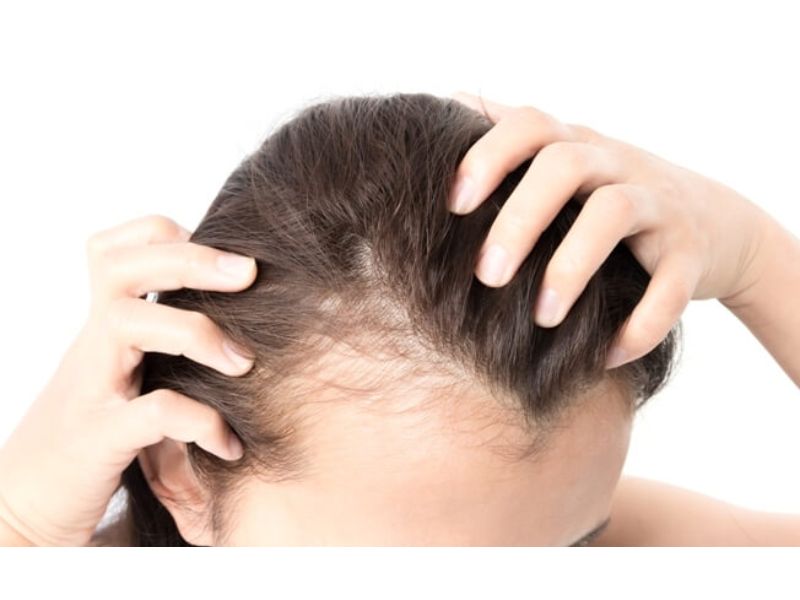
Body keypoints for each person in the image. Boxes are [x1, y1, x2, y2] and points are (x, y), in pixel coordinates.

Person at [0, 92, 797, 547]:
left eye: (574, 554)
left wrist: (759, 260)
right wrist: (20, 526)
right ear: (180, 473)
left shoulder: (583, 537)